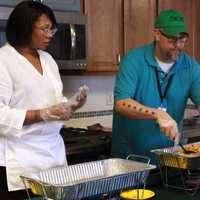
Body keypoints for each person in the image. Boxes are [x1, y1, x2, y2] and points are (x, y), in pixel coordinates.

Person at [0, 1, 88, 199]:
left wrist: (72, 105)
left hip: (52, 156)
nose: (50, 35)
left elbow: (53, 103)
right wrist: (41, 114)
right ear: (24, 27)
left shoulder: (48, 60)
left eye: (52, 29)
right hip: (20, 158)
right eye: (45, 29)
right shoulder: (3, 61)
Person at [111, 9, 200, 165]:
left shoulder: (191, 67)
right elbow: (121, 103)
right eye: (172, 40)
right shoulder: (134, 60)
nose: (178, 46)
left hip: (169, 160)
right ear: (157, 34)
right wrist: (157, 114)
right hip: (130, 161)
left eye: (183, 39)